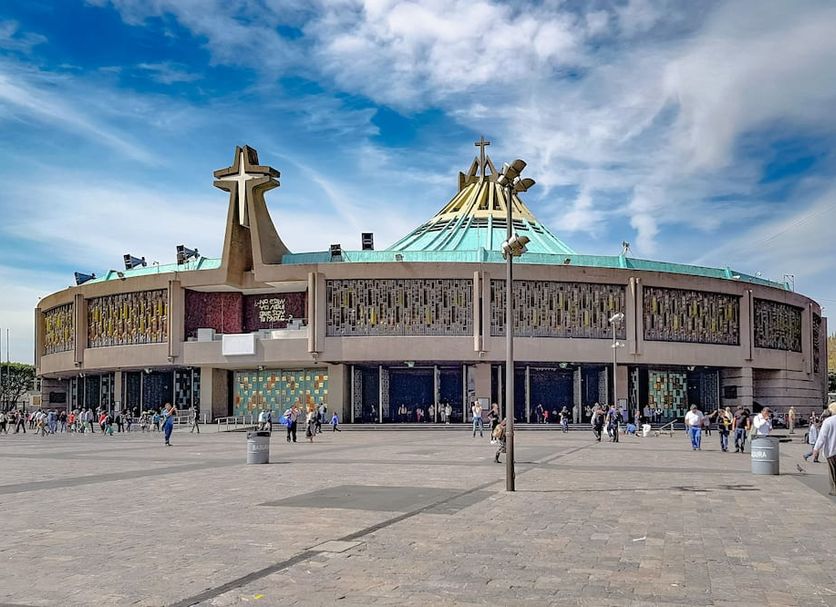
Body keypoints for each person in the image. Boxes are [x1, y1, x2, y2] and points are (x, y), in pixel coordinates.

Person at [812, 403, 836, 496]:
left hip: (831, 451)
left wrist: (816, 449)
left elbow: (822, 437)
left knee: (832, 471)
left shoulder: (828, 421)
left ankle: (834, 489)